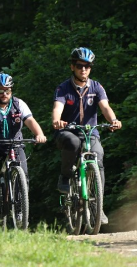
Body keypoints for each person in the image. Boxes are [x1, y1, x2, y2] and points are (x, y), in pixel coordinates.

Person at [52, 47, 122, 225]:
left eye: (87, 66)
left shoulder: (96, 87)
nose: (83, 69)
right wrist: (57, 120)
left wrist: (113, 120)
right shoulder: (63, 88)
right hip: (68, 131)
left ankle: (98, 207)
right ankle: (66, 176)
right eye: (79, 65)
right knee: (73, 142)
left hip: (90, 132)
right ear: (72, 67)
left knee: (98, 156)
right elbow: (57, 108)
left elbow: (105, 107)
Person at [0, 73, 47, 209]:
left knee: (24, 173)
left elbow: (30, 120)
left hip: (15, 143)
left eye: (7, 91)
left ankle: (20, 206)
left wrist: (39, 134)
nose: (4, 94)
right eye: (0, 91)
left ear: (11, 91)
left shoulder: (19, 104)